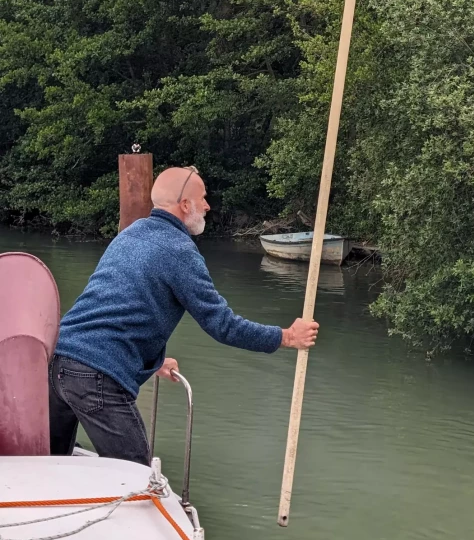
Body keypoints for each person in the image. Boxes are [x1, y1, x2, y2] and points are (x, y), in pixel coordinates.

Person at [49, 166, 319, 465]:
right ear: (185, 204)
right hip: (96, 373)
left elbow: (111, 310)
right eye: (202, 198)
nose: (208, 206)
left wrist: (151, 362)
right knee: (135, 475)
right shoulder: (180, 251)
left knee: (46, 464)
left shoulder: (129, 235)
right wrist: (286, 337)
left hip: (56, 360)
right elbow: (222, 325)